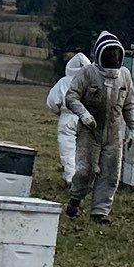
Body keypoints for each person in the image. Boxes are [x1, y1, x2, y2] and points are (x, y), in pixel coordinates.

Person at [59, 31, 134, 220]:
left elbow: (129, 104)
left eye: (115, 54)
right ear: (99, 54)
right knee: (86, 170)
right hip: (90, 130)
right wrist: (83, 114)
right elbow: (71, 96)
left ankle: (100, 213)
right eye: (109, 54)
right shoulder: (88, 73)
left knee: (110, 173)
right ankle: (75, 199)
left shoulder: (124, 75)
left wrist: (133, 127)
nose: (113, 58)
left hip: (114, 131)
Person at [46, 47, 94, 188]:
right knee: (85, 152)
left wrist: (59, 113)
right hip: (87, 119)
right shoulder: (92, 83)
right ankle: (85, 182)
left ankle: (71, 180)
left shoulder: (63, 82)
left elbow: (51, 102)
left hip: (67, 118)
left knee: (68, 151)